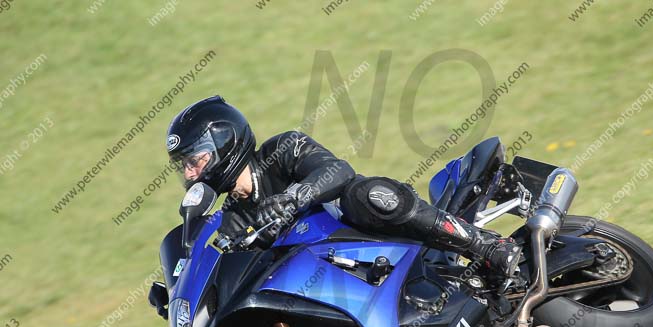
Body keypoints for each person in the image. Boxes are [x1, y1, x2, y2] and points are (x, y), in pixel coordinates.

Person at [165, 96, 522, 278]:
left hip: (367, 230)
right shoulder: (231, 219)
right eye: (184, 166)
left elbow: (337, 170)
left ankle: (486, 245)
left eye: (195, 160)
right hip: (331, 277)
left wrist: (293, 197)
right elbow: (228, 267)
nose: (191, 173)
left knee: (364, 195)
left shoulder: (282, 150)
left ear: (224, 144)